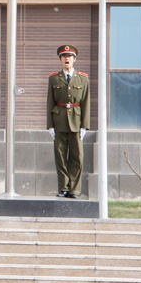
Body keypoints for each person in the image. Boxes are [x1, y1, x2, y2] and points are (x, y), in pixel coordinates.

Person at [47, 45, 90, 199]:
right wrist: (50, 125)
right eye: (64, 56)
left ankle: (75, 190)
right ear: (60, 59)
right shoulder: (53, 78)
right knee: (60, 155)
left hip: (76, 122)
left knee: (77, 157)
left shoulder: (83, 78)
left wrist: (84, 125)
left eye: (70, 56)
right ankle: (63, 188)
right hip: (59, 121)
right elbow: (50, 102)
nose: (67, 59)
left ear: (74, 59)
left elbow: (86, 102)